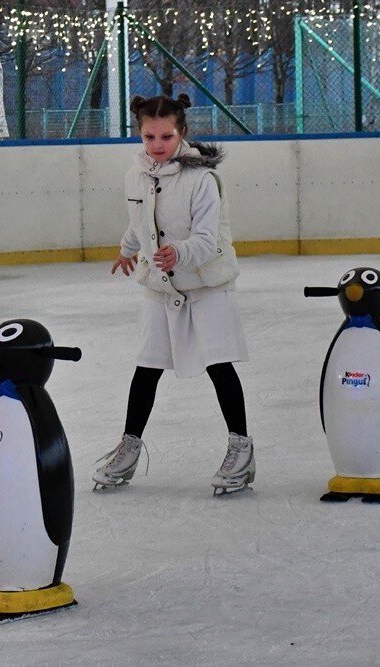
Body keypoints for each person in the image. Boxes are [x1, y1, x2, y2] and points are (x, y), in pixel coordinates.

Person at [93, 93, 254, 495]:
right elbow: (139, 221)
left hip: (208, 284)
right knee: (147, 367)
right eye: (149, 137)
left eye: (166, 136)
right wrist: (127, 250)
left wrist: (178, 252)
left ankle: (241, 449)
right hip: (161, 285)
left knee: (219, 366)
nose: (157, 145)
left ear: (181, 132)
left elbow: (208, 239)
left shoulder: (202, 179)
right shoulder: (135, 176)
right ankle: (129, 448)